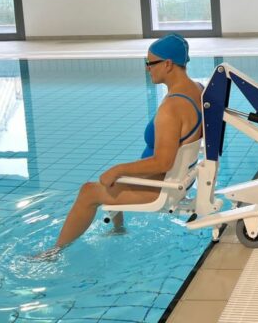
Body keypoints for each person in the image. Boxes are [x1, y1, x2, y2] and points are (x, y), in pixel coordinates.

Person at [52, 34, 203, 249]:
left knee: (88, 192)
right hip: (178, 180)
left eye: (150, 63)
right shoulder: (197, 89)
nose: (147, 68)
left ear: (168, 64)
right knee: (112, 180)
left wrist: (119, 169)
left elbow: (163, 162)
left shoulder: (172, 108)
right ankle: (118, 231)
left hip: (161, 187)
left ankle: (54, 252)